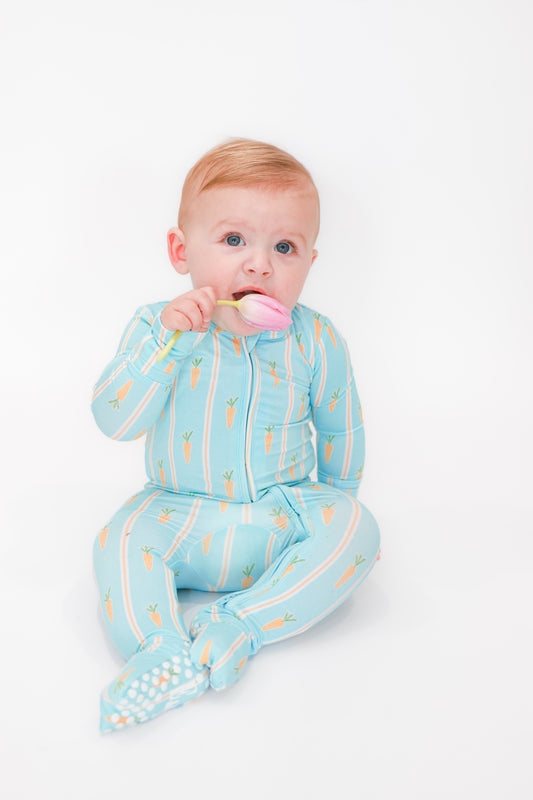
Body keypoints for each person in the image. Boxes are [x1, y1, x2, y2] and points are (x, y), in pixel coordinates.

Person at [91, 137, 380, 732]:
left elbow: (340, 428)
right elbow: (115, 419)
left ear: (309, 264)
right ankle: (161, 651)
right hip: (179, 516)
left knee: (359, 528)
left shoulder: (315, 340)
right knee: (118, 540)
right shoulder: (157, 327)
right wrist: (168, 345)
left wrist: (327, 523)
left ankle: (240, 624)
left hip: (278, 516)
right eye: (232, 241)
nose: (259, 265)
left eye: (284, 247)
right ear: (180, 250)